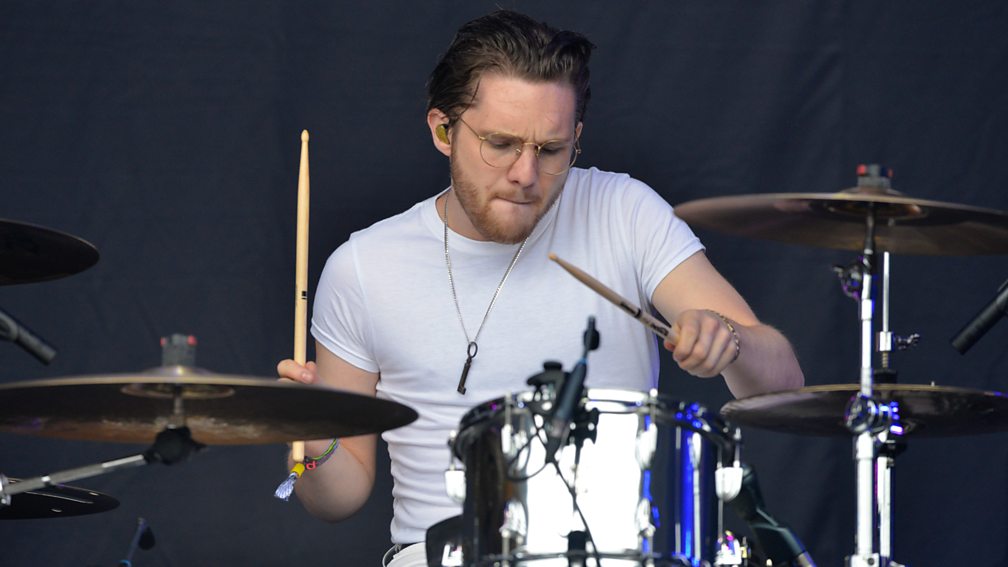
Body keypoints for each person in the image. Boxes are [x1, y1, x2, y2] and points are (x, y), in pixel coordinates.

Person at [278, 9, 803, 566]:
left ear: (575, 138)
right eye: (500, 143)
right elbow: (340, 497)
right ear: (442, 130)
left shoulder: (625, 213)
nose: (526, 175)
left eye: (551, 150)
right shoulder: (363, 267)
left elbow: (782, 383)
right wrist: (313, 439)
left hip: (612, 554)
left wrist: (729, 339)